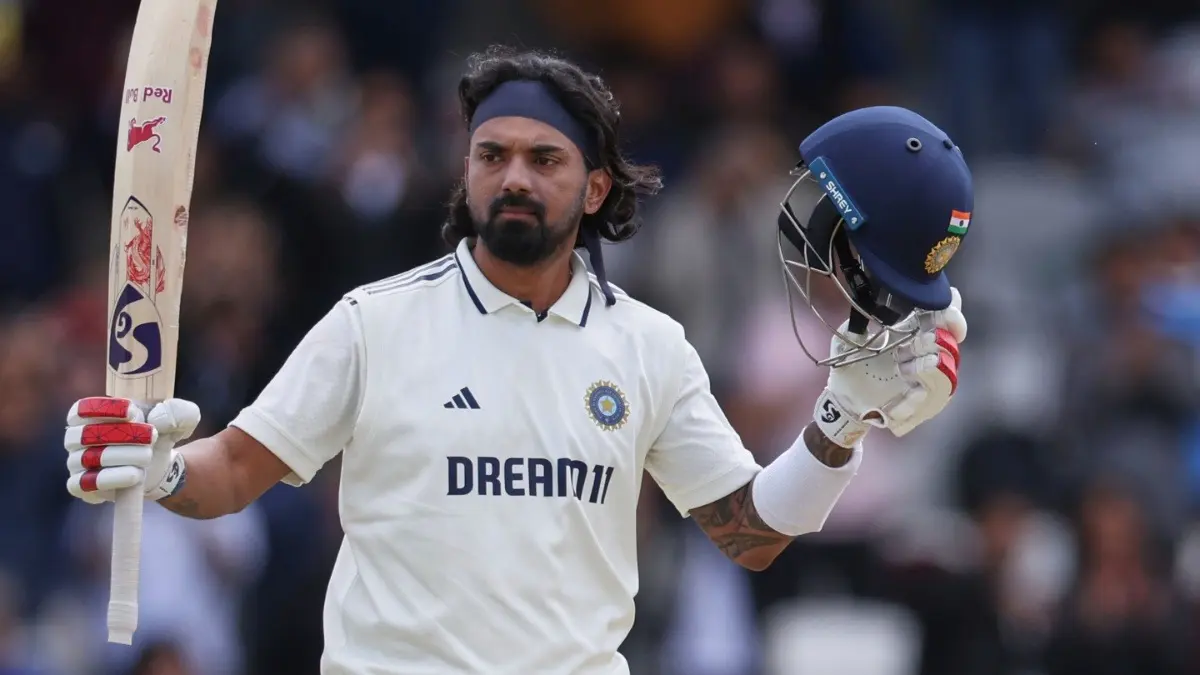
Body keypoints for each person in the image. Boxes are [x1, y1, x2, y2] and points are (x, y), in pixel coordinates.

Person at [63, 46, 973, 674]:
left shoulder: (648, 346)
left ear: (596, 186)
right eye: (492, 155)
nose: (515, 177)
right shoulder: (375, 322)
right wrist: (160, 467)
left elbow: (751, 533)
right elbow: (231, 474)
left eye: (545, 158)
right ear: (466, 171)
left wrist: (838, 421)